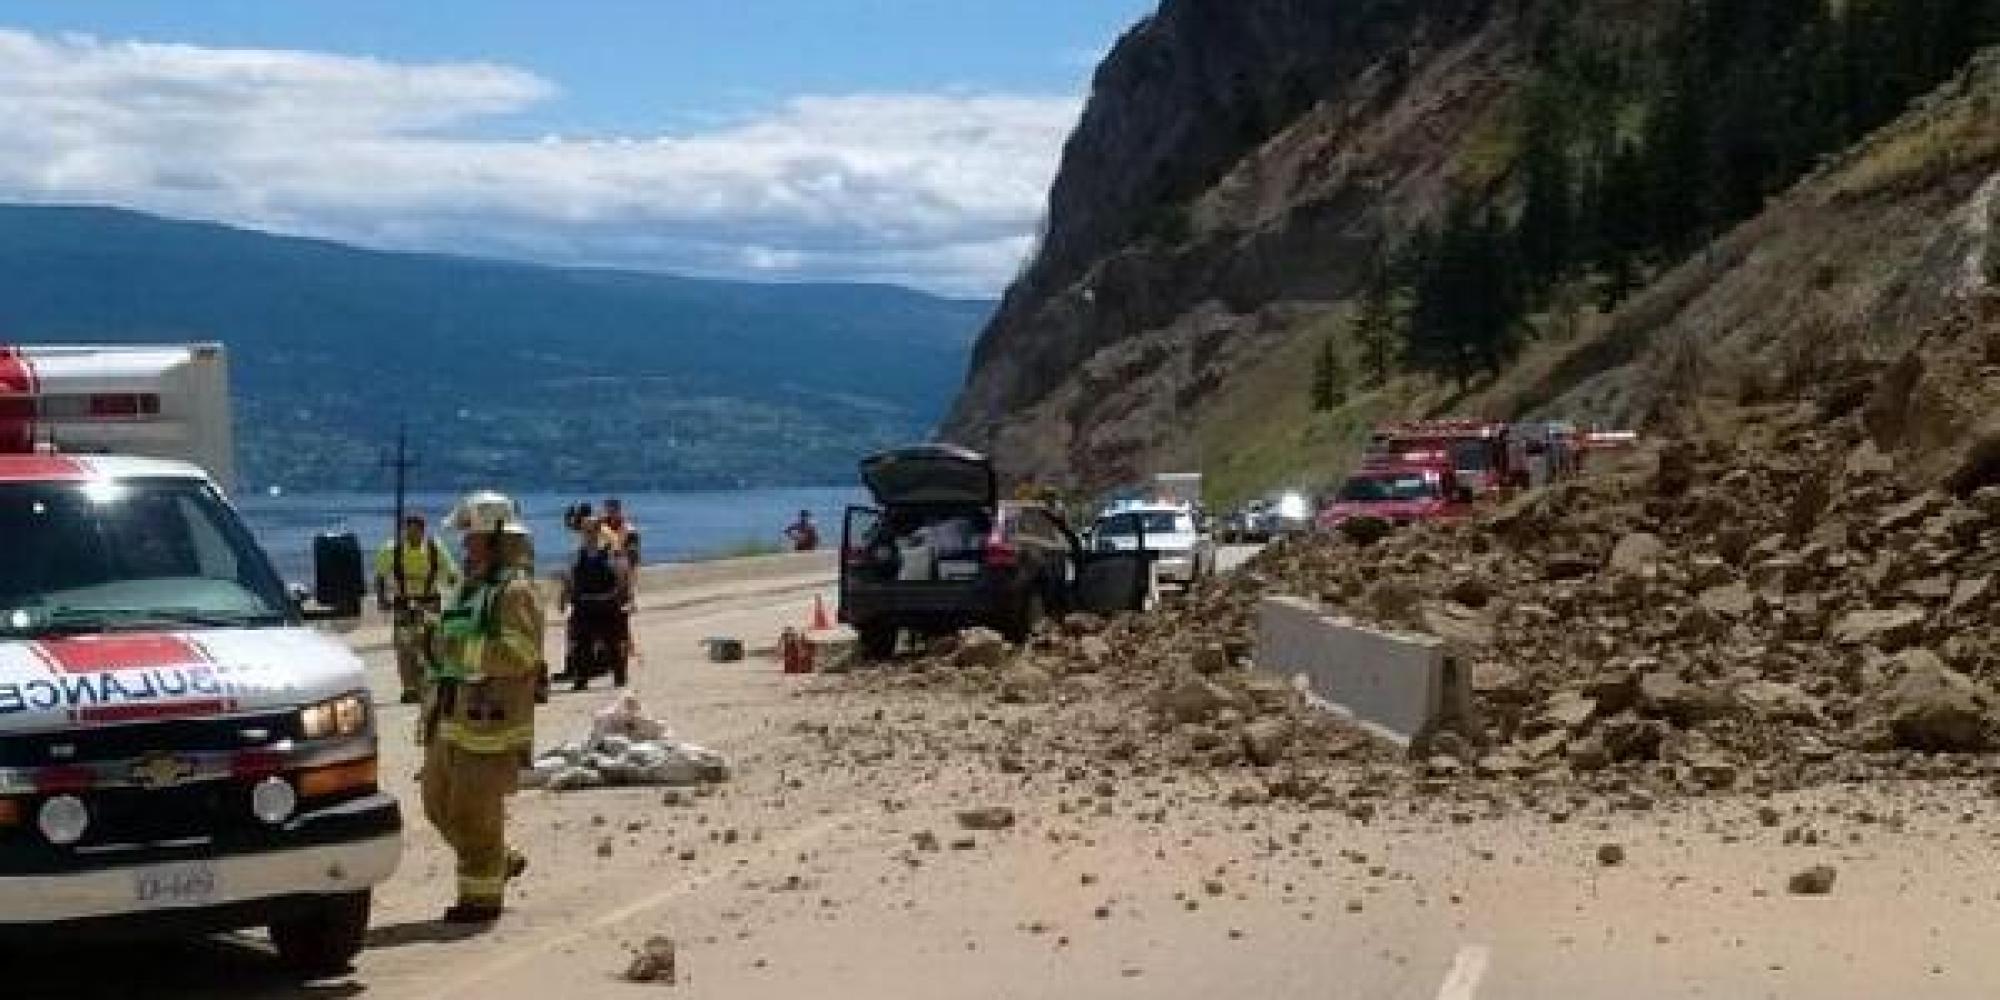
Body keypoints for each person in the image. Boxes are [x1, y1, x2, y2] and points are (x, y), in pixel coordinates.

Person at [421, 490, 543, 924]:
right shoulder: (470, 588)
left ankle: (481, 900)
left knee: (475, 814)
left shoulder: (515, 593)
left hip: (490, 724)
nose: (465, 547)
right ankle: (497, 859)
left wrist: (453, 646)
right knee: (437, 807)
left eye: (472, 539)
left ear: (497, 540)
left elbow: (519, 655)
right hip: (449, 716)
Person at [374, 512, 460, 704]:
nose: (412, 534)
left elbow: (451, 571)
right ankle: (409, 688)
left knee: (430, 645)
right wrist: (382, 599)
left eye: (417, 530)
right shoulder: (392, 550)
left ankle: (428, 686)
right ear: (405, 530)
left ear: (423, 530)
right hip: (403, 605)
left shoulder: (435, 548)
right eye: (409, 530)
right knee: (405, 647)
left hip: (429, 603)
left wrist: (455, 587)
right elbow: (380, 575)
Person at [555, 518, 633, 691]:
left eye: (591, 530)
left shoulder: (612, 553)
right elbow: (569, 580)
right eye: (585, 531)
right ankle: (581, 680)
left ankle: (619, 677)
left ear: (599, 531)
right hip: (584, 605)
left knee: (612, 643)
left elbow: (622, 577)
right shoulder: (576, 555)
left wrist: (626, 600)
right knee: (581, 645)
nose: (588, 534)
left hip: (607, 604)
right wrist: (563, 598)